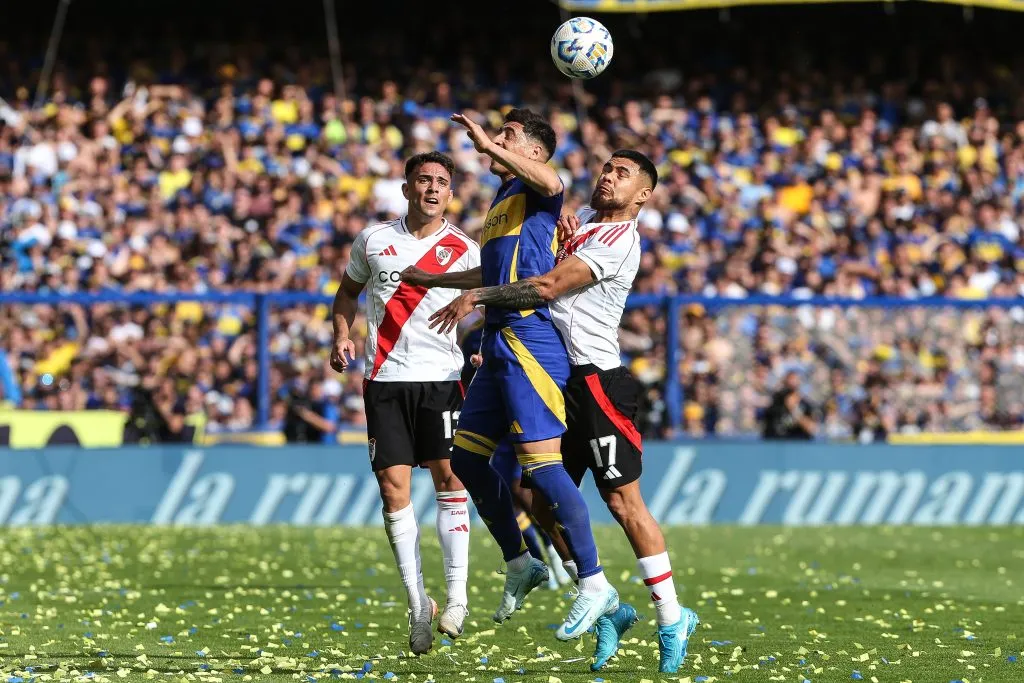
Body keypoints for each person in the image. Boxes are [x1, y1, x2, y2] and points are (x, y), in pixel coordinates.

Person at [428, 151, 700, 674]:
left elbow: (548, 287)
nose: (608, 176)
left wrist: (480, 296)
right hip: (551, 372)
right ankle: (605, 606)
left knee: (623, 503)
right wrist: (447, 281)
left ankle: (671, 614)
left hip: (597, 382)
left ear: (644, 194)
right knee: (534, 491)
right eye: (606, 168)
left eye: (622, 174)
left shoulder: (621, 240)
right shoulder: (580, 225)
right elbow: (524, 268)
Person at [402, 108, 618, 641]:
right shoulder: (502, 202)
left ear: (533, 151)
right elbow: (493, 268)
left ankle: (593, 582)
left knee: (541, 470)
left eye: (509, 136)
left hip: (531, 342)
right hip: (497, 341)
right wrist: (436, 277)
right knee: (466, 461)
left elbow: (555, 180)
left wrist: (484, 142)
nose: (495, 142)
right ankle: (521, 562)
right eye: (495, 134)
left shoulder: (539, 189)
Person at [329, 151, 480, 655]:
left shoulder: (465, 248)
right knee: (395, 493)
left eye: (441, 182)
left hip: (441, 378)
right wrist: (341, 336)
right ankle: (418, 605)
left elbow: (495, 294)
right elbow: (346, 293)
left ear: (451, 194)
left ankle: (456, 596)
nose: (432, 189)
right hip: (385, 380)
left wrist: (472, 311)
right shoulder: (374, 241)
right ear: (407, 188)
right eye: (424, 180)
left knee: (450, 481)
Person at [762, 370, 817, 440]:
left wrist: (793, 409)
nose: (792, 382)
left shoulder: (805, 404)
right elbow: (768, 424)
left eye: (795, 379)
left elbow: (812, 428)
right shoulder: (776, 401)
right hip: (777, 443)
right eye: (790, 379)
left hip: (798, 443)